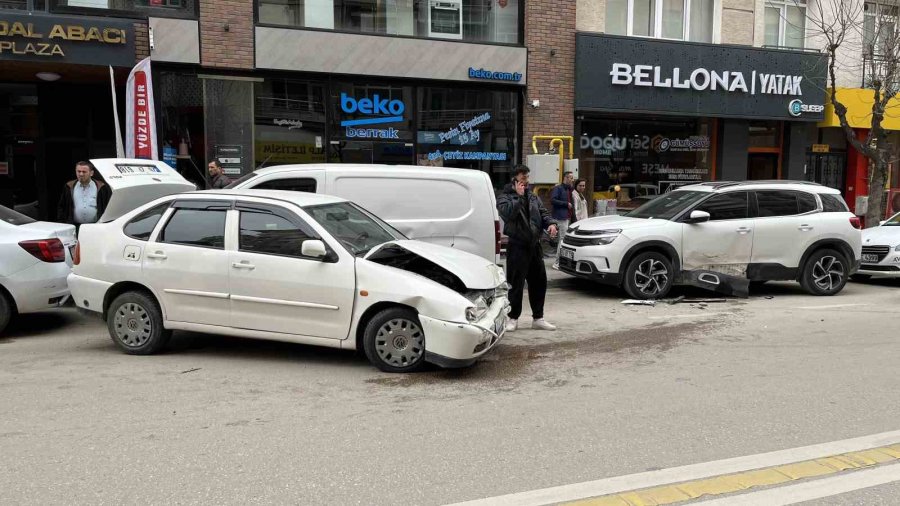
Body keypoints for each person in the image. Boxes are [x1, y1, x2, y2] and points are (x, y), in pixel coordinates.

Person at [497, 165, 558, 332]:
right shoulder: (504, 198)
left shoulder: (533, 197)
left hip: (534, 246)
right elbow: (507, 214)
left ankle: (538, 318)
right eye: (523, 178)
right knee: (515, 284)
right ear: (514, 180)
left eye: (527, 178)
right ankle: (512, 318)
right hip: (517, 245)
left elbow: (544, 213)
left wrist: (551, 223)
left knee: (539, 282)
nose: (526, 181)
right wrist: (518, 197)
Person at [57, 161, 111, 229]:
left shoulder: (101, 187)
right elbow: (62, 207)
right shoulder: (69, 187)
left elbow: (109, 207)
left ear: (91, 173)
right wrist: (63, 224)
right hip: (74, 227)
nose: (81, 174)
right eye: (78, 171)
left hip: (95, 227)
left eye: (84, 172)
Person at [550, 171, 574, 269]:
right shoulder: (558, 188)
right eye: (571, 178)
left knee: (562, 239)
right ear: (566, 178)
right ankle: (557, 262)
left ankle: (559, 261)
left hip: (566, 217)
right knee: (562, 239)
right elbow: (553, 200)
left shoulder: (569, 189)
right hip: (560, 217)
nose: (572, 180)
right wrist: (566, 204)